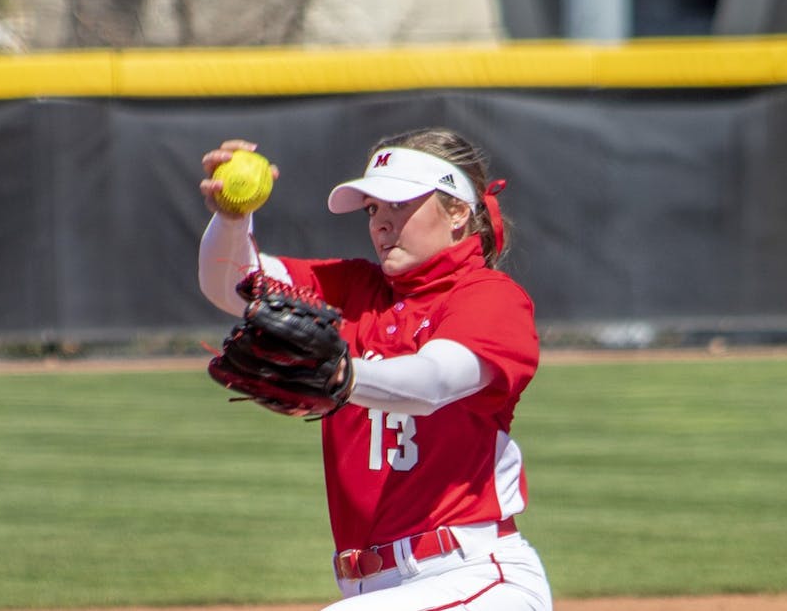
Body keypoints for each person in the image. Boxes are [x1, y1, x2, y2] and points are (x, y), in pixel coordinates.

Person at [198, 127, 552, 611]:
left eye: (400, 205)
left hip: (473, 579)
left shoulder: (489, 297)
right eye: (373, 209)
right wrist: (233, 220)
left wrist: (345, 377)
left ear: (458, 213)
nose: (382, 223)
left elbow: (433, 382)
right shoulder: (352, 291)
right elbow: (229, 286)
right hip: (383, 588)